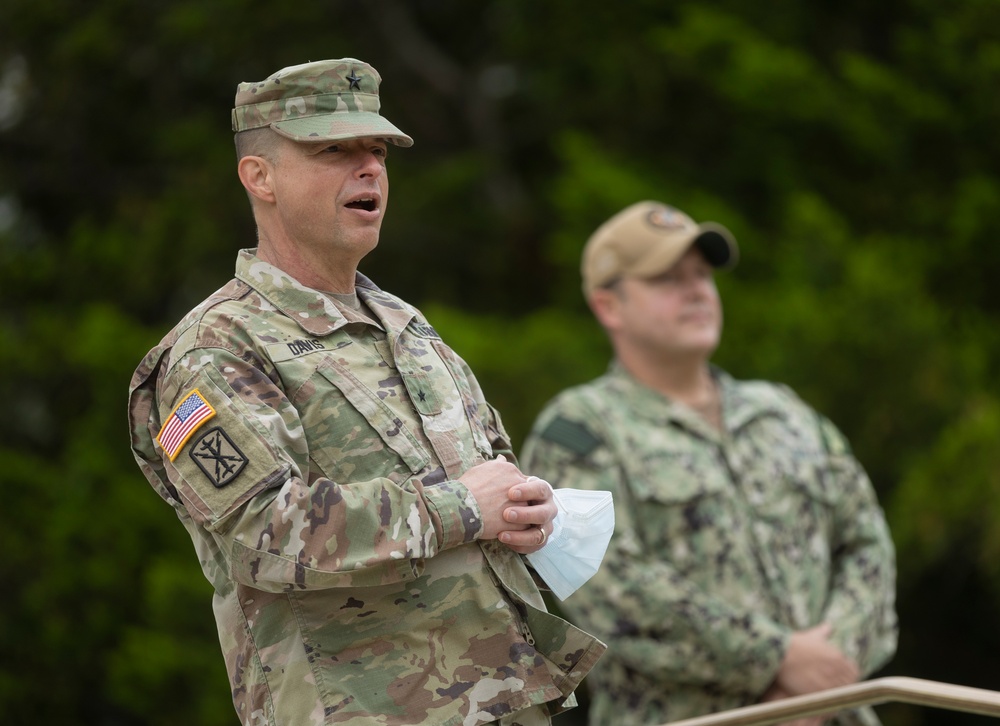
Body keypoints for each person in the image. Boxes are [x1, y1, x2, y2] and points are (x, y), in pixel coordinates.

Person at [127, 58, 605, 726]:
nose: (369, 168)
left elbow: (485, 478)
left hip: (501, 698)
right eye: (334, 150)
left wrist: (518, 509)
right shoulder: (217, 348)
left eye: (376, 149)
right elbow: (264, 533)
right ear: (258, 176)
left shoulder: (406, 325)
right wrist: (464, 507)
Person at [520, 201, 898, 726]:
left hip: (834, 713)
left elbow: (866, 540)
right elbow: (604, 581)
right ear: (610, 306)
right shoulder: (580, 431)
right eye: (667, 278)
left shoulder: (784, 412)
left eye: (702, 275)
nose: (697, 290)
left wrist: (831, 664)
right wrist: (777, 660)